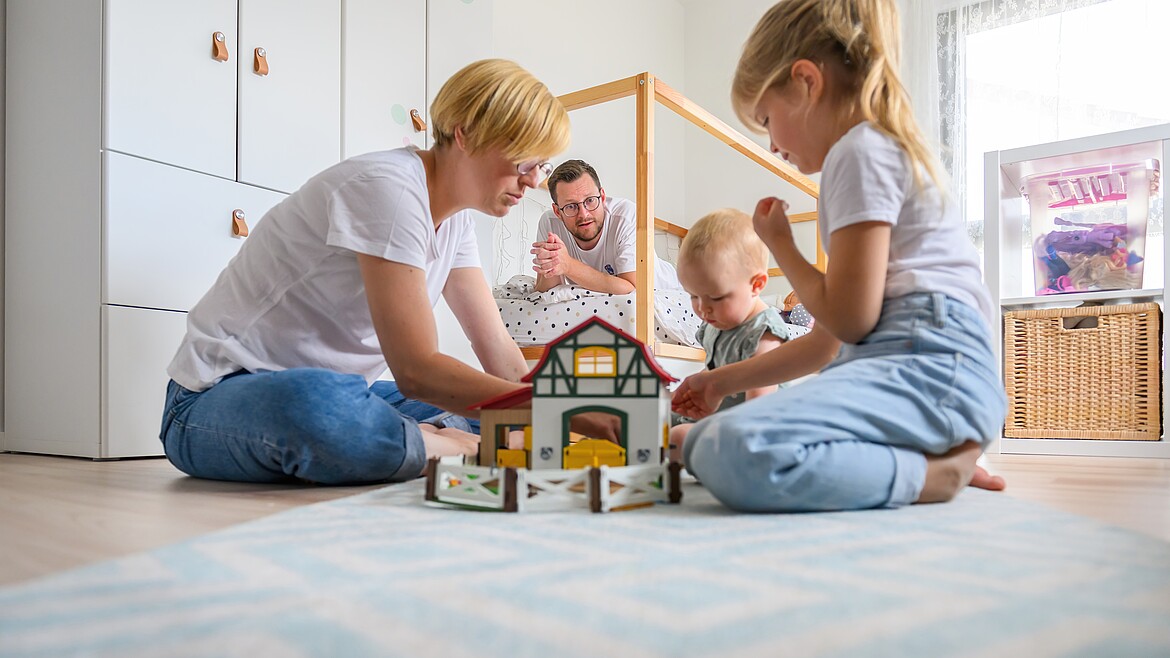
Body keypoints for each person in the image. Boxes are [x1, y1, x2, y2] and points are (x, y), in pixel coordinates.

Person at [160, 59, 613, 486]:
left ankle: (430, 441)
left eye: (542, 166)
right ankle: (455, 447)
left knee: (483, 404)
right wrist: (560, 412)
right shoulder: (389, 190)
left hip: (345, 389)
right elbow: (417, 370)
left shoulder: (455, 220)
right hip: (214, 400)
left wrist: (562, 413)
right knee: (323, 408)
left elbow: (498, 348)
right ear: (467, 135)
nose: (534, 181)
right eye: (525, 162)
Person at [672, 0, 1007, 512]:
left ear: (807, 82)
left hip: (931, 365)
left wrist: (783, 247)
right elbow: (825, 345)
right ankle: (929, 455)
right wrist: (718, 381)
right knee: (702, 440)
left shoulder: (858, 152)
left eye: (767, 120)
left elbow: (849, 320)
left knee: (724, 447)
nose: (772, 144)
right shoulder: (872, 152)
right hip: (937, 372)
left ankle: (933, 476)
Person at [668, 208, 793, 459]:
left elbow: (758, 408)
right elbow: (715, 370)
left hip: (751, 429)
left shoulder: (764, 334)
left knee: (678, 437)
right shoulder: (717, 322)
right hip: (715, 415)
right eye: (693, 296)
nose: (702, 308)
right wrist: (689, 391)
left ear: (756, 285)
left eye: (715, 297)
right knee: (653, 410)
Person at [530, 159, 680, 294]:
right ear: (557, 211)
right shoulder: (550, 223)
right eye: (571, 206)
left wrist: (568, 265)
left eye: (589, 200)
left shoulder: (626, 217)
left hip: (668, 291)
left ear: (602, 197)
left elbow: (632, 290)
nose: (584, 214)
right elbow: (548, 293)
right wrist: (552, 264)